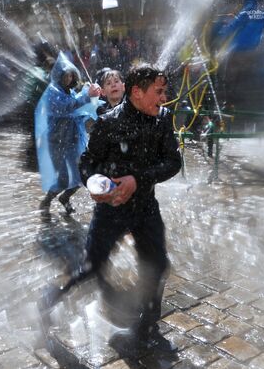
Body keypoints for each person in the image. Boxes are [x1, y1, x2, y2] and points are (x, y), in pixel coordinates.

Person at [41, 63, 182, 356]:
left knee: (157, 265)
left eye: (164, 91)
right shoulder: (110, 122)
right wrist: (94, 184)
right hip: (112, 211)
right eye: (158, 92)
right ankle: (49, 301)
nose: (164, 97)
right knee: (92, 267)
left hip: (145, 207)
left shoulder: (164, 119)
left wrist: (137, 179)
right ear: (137, 93)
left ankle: (146, 328)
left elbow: (173, 162)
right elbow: (87, 162)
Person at [35, 52, 101, 213]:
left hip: (73, 140)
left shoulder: (68, 91)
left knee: (82, 175)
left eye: (71, 76)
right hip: (57, 142)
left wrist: (91, 95)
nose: (69, 78)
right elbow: (68, 107)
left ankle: (64, 198)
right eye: (66, 75)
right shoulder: (52, 92)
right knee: (64, 178)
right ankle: (47, 201)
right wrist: (87, 96)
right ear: (59, 74)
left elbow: (77, 106)